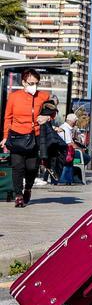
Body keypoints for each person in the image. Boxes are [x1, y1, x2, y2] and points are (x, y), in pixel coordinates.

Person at [2, 69, 52, 207]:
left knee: (32, 167)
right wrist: (5, 137)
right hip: (17, 135)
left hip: (35, 136)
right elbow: (8, 118)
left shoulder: (44, 96)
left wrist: (47, 117)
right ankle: (18, 195)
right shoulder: (14, 97)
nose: (34, 86)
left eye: (36, 83)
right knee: (17, 166)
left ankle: (28, 188)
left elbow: (52, 112)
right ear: (23, 82)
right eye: (31, 83)